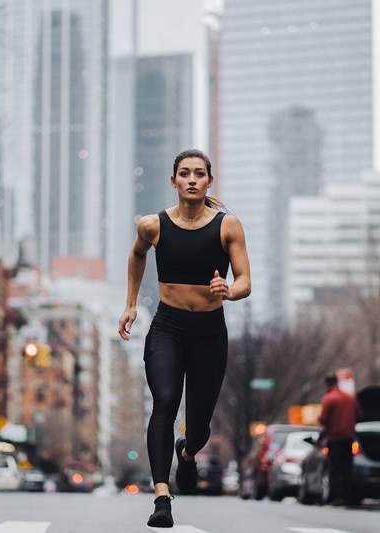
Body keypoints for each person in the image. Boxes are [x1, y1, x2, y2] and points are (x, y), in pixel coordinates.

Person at [118, 149, 251, 528]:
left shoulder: (228, 226)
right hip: (167, 328)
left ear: (209, 181)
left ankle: (188, 450)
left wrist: (229, 288)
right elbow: (136, 255)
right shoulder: (152, 226)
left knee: (198, 427)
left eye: (199, 174)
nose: (191, 179)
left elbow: (245, 280)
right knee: (164, 400)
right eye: (184, 173)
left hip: (209, 333)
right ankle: (162, 496)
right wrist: (130, 305)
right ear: (173, 181)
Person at [318, 373, 359, 506]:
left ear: (327, 384)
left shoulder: (329, 399)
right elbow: (359, 414)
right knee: (347, 468)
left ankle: (335, 497)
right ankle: (348, 497)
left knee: (334, 469)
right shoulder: (350, 398)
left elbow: (323, 419)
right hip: (349, 438)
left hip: (334, 439)